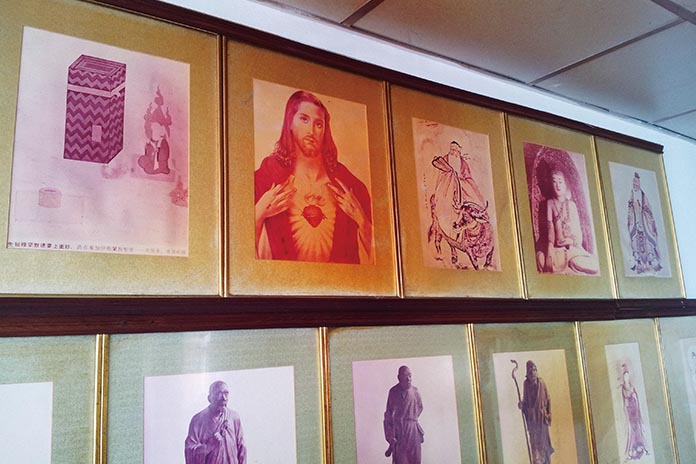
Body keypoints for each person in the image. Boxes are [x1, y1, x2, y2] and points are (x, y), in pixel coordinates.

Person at [254, 90, 373, 263]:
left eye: (318, 124)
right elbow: (241, 254)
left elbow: (383, 257)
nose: (311, 130)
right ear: (290, 123)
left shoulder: (350, 187)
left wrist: (361, 220)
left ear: (325, 131)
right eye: (304, 119)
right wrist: (258, 213)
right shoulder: (265, 179)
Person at [537, 169, 598, 275]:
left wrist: (570, 240)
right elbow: (550, 229)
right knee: (540, 258)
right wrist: (550, 248)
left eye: (560, 182)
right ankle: (568, 270)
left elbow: (578, 234)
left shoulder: (571, 205)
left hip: (572, 250)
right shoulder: (550, 204)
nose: (557, 185)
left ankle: (570, 268)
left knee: (593, 265)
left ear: (566, 185)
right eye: (554, 182)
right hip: (557, 251)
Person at [185, 381, 246, 464]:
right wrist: (208, 447)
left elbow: (242, 448)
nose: (224, 398)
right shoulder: (198, 420)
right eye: (219, 394)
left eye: (226, 393)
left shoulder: (234, 417)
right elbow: (189, 451)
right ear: (209, 398)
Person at [383, 365, 424, 464]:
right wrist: (390, 436)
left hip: (413, 433)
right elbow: (388, 416)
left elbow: (420, 407)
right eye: (405, 376)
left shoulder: (415, 391)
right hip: (399, 434)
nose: (408, 379)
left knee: (416, 461)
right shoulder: (393, 392)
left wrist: (411, 418)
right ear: (399, 377)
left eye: (410, 375)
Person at [518, 361, 553, 464]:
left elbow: (548, 399)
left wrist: (548, 414)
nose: (533, 373)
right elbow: (525, 401)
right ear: (527, 374)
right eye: (530, 371)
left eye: (534, 370)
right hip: (532, 421)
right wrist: (521, 405)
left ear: (537, 371)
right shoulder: (526, 384)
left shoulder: (541, 383)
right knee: (534, 444)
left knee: (544, 444)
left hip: (542, 419)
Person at [627, 172, 662, 274]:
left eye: (636, 183)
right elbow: (629, 208)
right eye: (634, 183)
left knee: (647, 239)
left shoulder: (643, 195)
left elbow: (648, 209)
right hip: (635, 221)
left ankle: (651, 260)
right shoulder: (631, 194)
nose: (635, 185)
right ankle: (638, 262)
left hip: (644, 221)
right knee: (635, 239)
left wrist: (644, 211)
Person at [138, 87, 172, 175]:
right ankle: (158, 169)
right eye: (153, 130)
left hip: (161, 163)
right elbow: (146, 155)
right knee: (142, 161)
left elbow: (165, 153)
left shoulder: (163, 142)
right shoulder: (150, 142)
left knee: (161, 161)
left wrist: (158, 151)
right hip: (151, 164)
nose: (155, 132)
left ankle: (162, 169)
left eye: (157, 130)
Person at [620, 365, 649, 460]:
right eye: (625, 376)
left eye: (628, 376)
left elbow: (636, 398)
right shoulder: (623, 389)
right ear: (623, 378)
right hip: (629, 411)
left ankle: (640, 445)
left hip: (635, 409)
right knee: (631, 429)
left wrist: (634, 398)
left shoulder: (632, 387)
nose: (627, 378)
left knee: (637, 427)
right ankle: (632, 447)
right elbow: (624, 401)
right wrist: (628, 401)